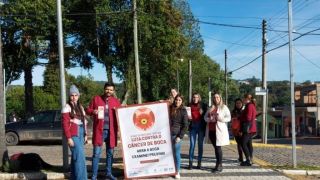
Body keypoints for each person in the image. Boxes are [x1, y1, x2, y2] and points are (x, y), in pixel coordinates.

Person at [86, 82, 121, 180]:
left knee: (110, 154)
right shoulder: (96, 99)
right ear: (104, 89)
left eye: (111, 90)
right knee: (96, 154)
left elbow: (121, 114)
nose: (109, 91)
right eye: (107, 89)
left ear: (113, 91)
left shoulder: (116, 101)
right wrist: (93, 111)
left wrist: (120, 109)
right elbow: (87, 110)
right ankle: (94, 176)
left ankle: (108, 174)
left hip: (112, 132)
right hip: (99, 131)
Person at [62, 85, 88, 180]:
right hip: (73, 134)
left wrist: (85, 134)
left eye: (75, 95)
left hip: (81, 133)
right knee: (80, 159)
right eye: (72, 95)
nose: (74, 97)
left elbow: (84, 121)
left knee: (76, 158)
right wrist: (69, 138)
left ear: (78, 96)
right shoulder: (66, 107)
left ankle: (73, 178)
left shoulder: (80, 107)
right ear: (69, 96)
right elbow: (65, 124)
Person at [204, 92, 231, 173]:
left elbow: (229, 118)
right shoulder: (211, 107)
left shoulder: (224, 107)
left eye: (217, 97)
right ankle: (217, 164)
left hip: (219, 130)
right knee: (216, 148)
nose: (216, 99)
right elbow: (205, 117)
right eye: (215, 97)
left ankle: (219, 165)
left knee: (218, 148)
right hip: (211, 130)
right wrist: (209, 119)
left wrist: (221, 119)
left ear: (220, 98)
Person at [169, 94, 188, 179]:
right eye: (176, 100)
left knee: (176, 154)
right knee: (170, 154)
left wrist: (180, 137)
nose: (178, 101)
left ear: (182, 101)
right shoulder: (170, 108)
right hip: (167, 134)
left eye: (180, 100)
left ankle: (177, 171)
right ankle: (170, 169)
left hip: (176, 136)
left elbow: (185, 126)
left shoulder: (183, 111)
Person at [188, 93, 207, 170]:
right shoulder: (189, 105)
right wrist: (188, 119)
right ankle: (190, 162)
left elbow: (207, 115)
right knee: (192, 145)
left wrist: (203, 113)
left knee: (200, 145)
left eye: (196, 97)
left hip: (201, 127)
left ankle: (199, 162)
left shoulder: (203, 105)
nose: (195, 98)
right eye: (194, 97)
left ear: (199, 98)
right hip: (193, 127)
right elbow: (187, 115)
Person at [239, 93, 257, 166]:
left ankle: (248, 159)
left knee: (243, 143)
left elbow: (248, 118)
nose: (243, 100)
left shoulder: (249, 106)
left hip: (248, 128)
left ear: (247, 99)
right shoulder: (252, 105)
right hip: (251, 128)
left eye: (244, 98)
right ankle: (250, 159)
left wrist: (241, 118)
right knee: (249, 144)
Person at [231, 98, 244, 163]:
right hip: (236, 130)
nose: (238, 104)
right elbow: (232, 120)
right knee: (239, 144)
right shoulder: (233, 111)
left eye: (239, 103)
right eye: (237, 103)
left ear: (242, 104)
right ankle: (241, 157)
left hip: (243, 130)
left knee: (244, 144)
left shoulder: (244, 111)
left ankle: (248, 157)